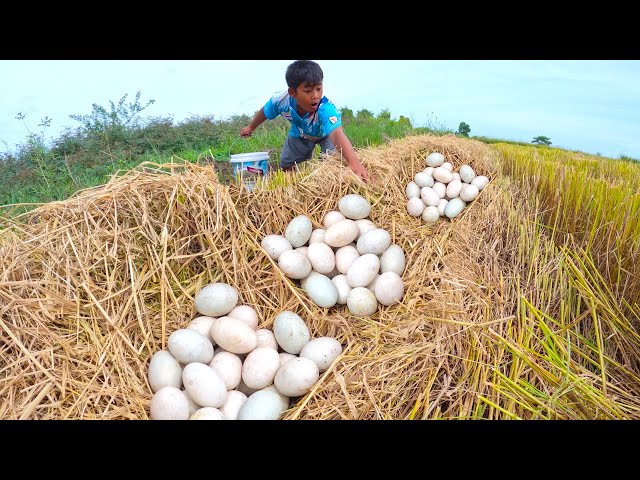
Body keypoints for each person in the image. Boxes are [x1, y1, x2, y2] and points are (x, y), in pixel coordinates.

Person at [240, 60, 371, 182]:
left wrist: (355, 163)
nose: (315, 96)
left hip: (326, 134)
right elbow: (265, 112)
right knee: (286, 165)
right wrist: (251, 127)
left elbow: (337, 134)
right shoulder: (280, 101)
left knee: (333, 163)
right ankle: (292, 188)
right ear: (292, 92)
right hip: (300, 134)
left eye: (318, 89)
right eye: (308, 91)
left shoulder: (325, 107)